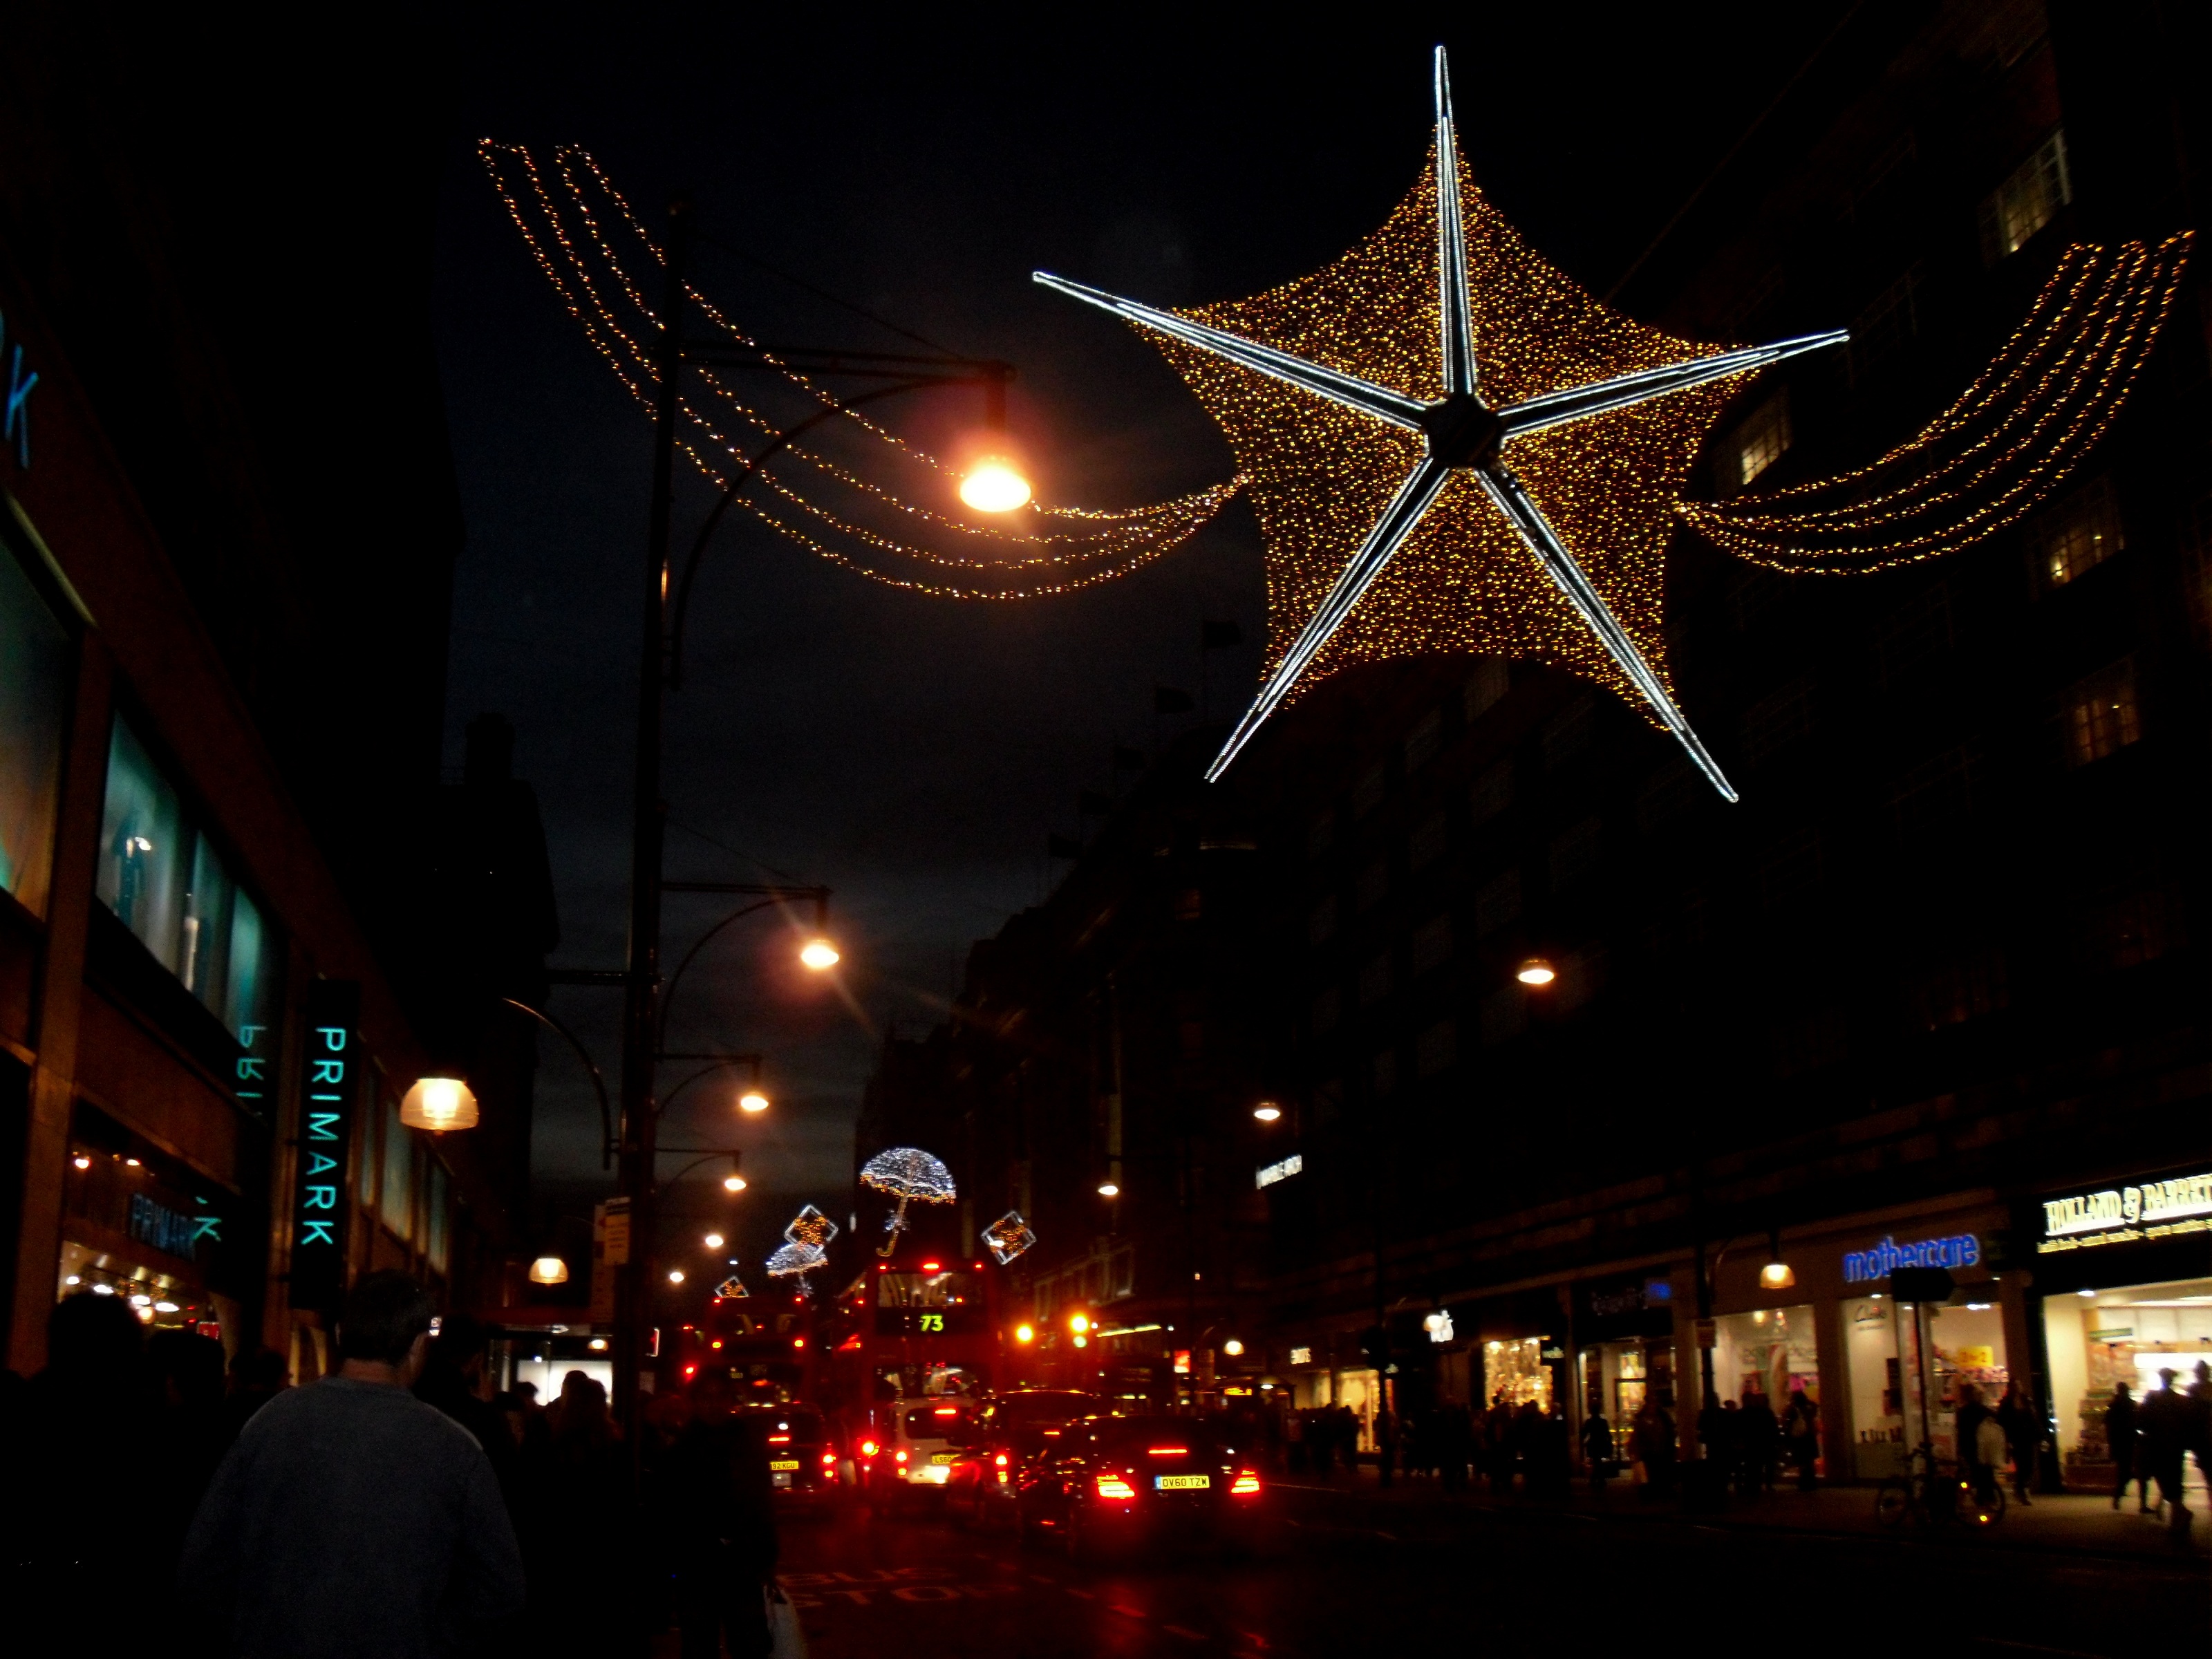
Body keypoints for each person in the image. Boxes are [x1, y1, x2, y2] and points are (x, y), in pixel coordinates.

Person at [180, 1271, 525, 1658]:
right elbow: (499, 1589)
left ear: (342, 1334)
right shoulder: (455, 1448)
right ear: (417, 1346)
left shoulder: (270, 1423)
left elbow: (204, 1562)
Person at [665, 1372, 778, 1659]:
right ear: (695, 1402)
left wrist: (764, 1553)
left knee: (748, 1642)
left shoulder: (746, 1442)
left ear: (730, 1401)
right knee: (700, 1642)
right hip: (698, 1561)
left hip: (741, 1560)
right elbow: (673, 1508)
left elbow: (762, 1500)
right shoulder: (682, 1447)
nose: (713, 1405)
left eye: (719, 1398)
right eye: (706, 1398)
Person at [2137, 1367, 2193, 1534]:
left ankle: (2180, 1514)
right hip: (2176, 1448)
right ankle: (2177, 1520)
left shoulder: (2152, 1398)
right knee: (2175, 1482)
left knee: (2165, 1482)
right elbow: (2188, 1425)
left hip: (2158, 1447)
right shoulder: (2182, 1400)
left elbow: (2141, 1421)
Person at [1996, 1384, 2040, 1506]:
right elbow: (2002, 1422)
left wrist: (2039, 1434)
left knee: (2030, 1465)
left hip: (2028, 1438)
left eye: (2019, 1386)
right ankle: (2023, 1490)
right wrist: (2006, 1440)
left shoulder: (2026, 1400)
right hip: (2016, 1439)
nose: (2019, 1388)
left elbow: (2034, 1418)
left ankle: (2021, 1488)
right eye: (2016, 1386)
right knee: (2021, 1465)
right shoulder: (2006, 1404)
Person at [2105, 1382, 2145, 1511]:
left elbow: (2109, 1428)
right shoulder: (2130, 1405)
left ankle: (2120, 1497)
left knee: (2126, 1472)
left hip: (2121, 1444)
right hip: (2131, 1443)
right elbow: (2138, 1422)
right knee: (2133, 1473)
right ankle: (2139, 1503)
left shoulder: (2113, 1406)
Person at [1956, 1382, 1996, 1505]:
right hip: (1978, 1446)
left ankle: (1976, 1497)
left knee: (1975, 1473)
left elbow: (1961, 1430)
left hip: (1970, 1446)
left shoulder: (1964, 1411)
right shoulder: (1980, 1410)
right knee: (1983, 1473)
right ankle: (1986, 1498)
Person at [1738, 1391, 1779, 1497]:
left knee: (1755, 1465)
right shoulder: (1764, 1412)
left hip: (1755, 1443)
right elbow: (1772, 1427)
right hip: (1763, 1442)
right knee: (1761, 1465)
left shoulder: (1749, 1412)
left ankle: (1755, 1486)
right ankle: (1762, 1485)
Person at [1781, 1387, 1819, 1491]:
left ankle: (1804, 1482)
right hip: (1810, 1436)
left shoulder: (1794, 1408)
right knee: (1809, 1461)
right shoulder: (1811, 1406)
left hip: (1800, 1438)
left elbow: (1786, 1419)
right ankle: (1811, 1482)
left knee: (1802, 1461)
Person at [1581, 1406, 1613, 1495]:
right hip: (1601, 1443)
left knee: (1596, 1461)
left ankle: (1596, 1479)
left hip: (1593, 1443)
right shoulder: (1603, 1422)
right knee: (1598, 1462)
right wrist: (1609, 1442)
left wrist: (1583, 1441)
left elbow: (1584, 1432)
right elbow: (1607, 1433)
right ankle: (1599, 1479)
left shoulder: (1589, 1422)